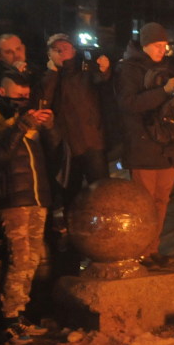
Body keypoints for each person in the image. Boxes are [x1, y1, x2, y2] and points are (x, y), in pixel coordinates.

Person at [0, 72, 55, 341]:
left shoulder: (26, 120)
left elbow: (52, 151)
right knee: (19, 259)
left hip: (35, 197)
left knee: (31, 259)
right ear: (1, 91)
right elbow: (0, 154)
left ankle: (19, 315)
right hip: (13, 200)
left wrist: (49, 126)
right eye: (17, 95)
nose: (22, 100)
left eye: (25, 95)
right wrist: (22, 124)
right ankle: (9, 320)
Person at [115, 23, 174, 268]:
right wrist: (164, 91)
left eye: (165, 45)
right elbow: (128, 104)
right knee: (143, 203)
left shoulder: (168, 68)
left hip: (167, 145)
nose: (163, 50)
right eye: (158, 45)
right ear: (145, 45)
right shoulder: (128, 69)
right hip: (143, 145)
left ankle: (152, 249)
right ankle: (140, 250)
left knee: (161, 201)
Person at [39, 33, 111, 213]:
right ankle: (73, 233)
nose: (61, 51)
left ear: (73, 50)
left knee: (102, 192)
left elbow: (101, 79)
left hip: (92, 142)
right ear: (49, 54)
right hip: (66, 147)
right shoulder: (48, 77)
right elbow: (43, 101)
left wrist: (105, 69)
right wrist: (52, 72)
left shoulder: (84, 72)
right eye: (56, 49)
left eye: (65, 47)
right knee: (71, 196)